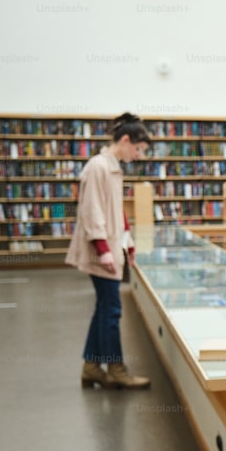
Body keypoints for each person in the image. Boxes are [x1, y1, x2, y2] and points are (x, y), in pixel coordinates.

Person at [65, 112, 152, 390]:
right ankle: (116, 369)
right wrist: (104, 250)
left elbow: (117, 211)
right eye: (138, 149)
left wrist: (128, 243)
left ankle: (91, 367)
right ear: (125, 140)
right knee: (112, 310)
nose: (138, 155)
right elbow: (92, 212)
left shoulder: (113, 167)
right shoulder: (98, 167)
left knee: (104, 308)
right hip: (100, 251)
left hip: (112, 248)